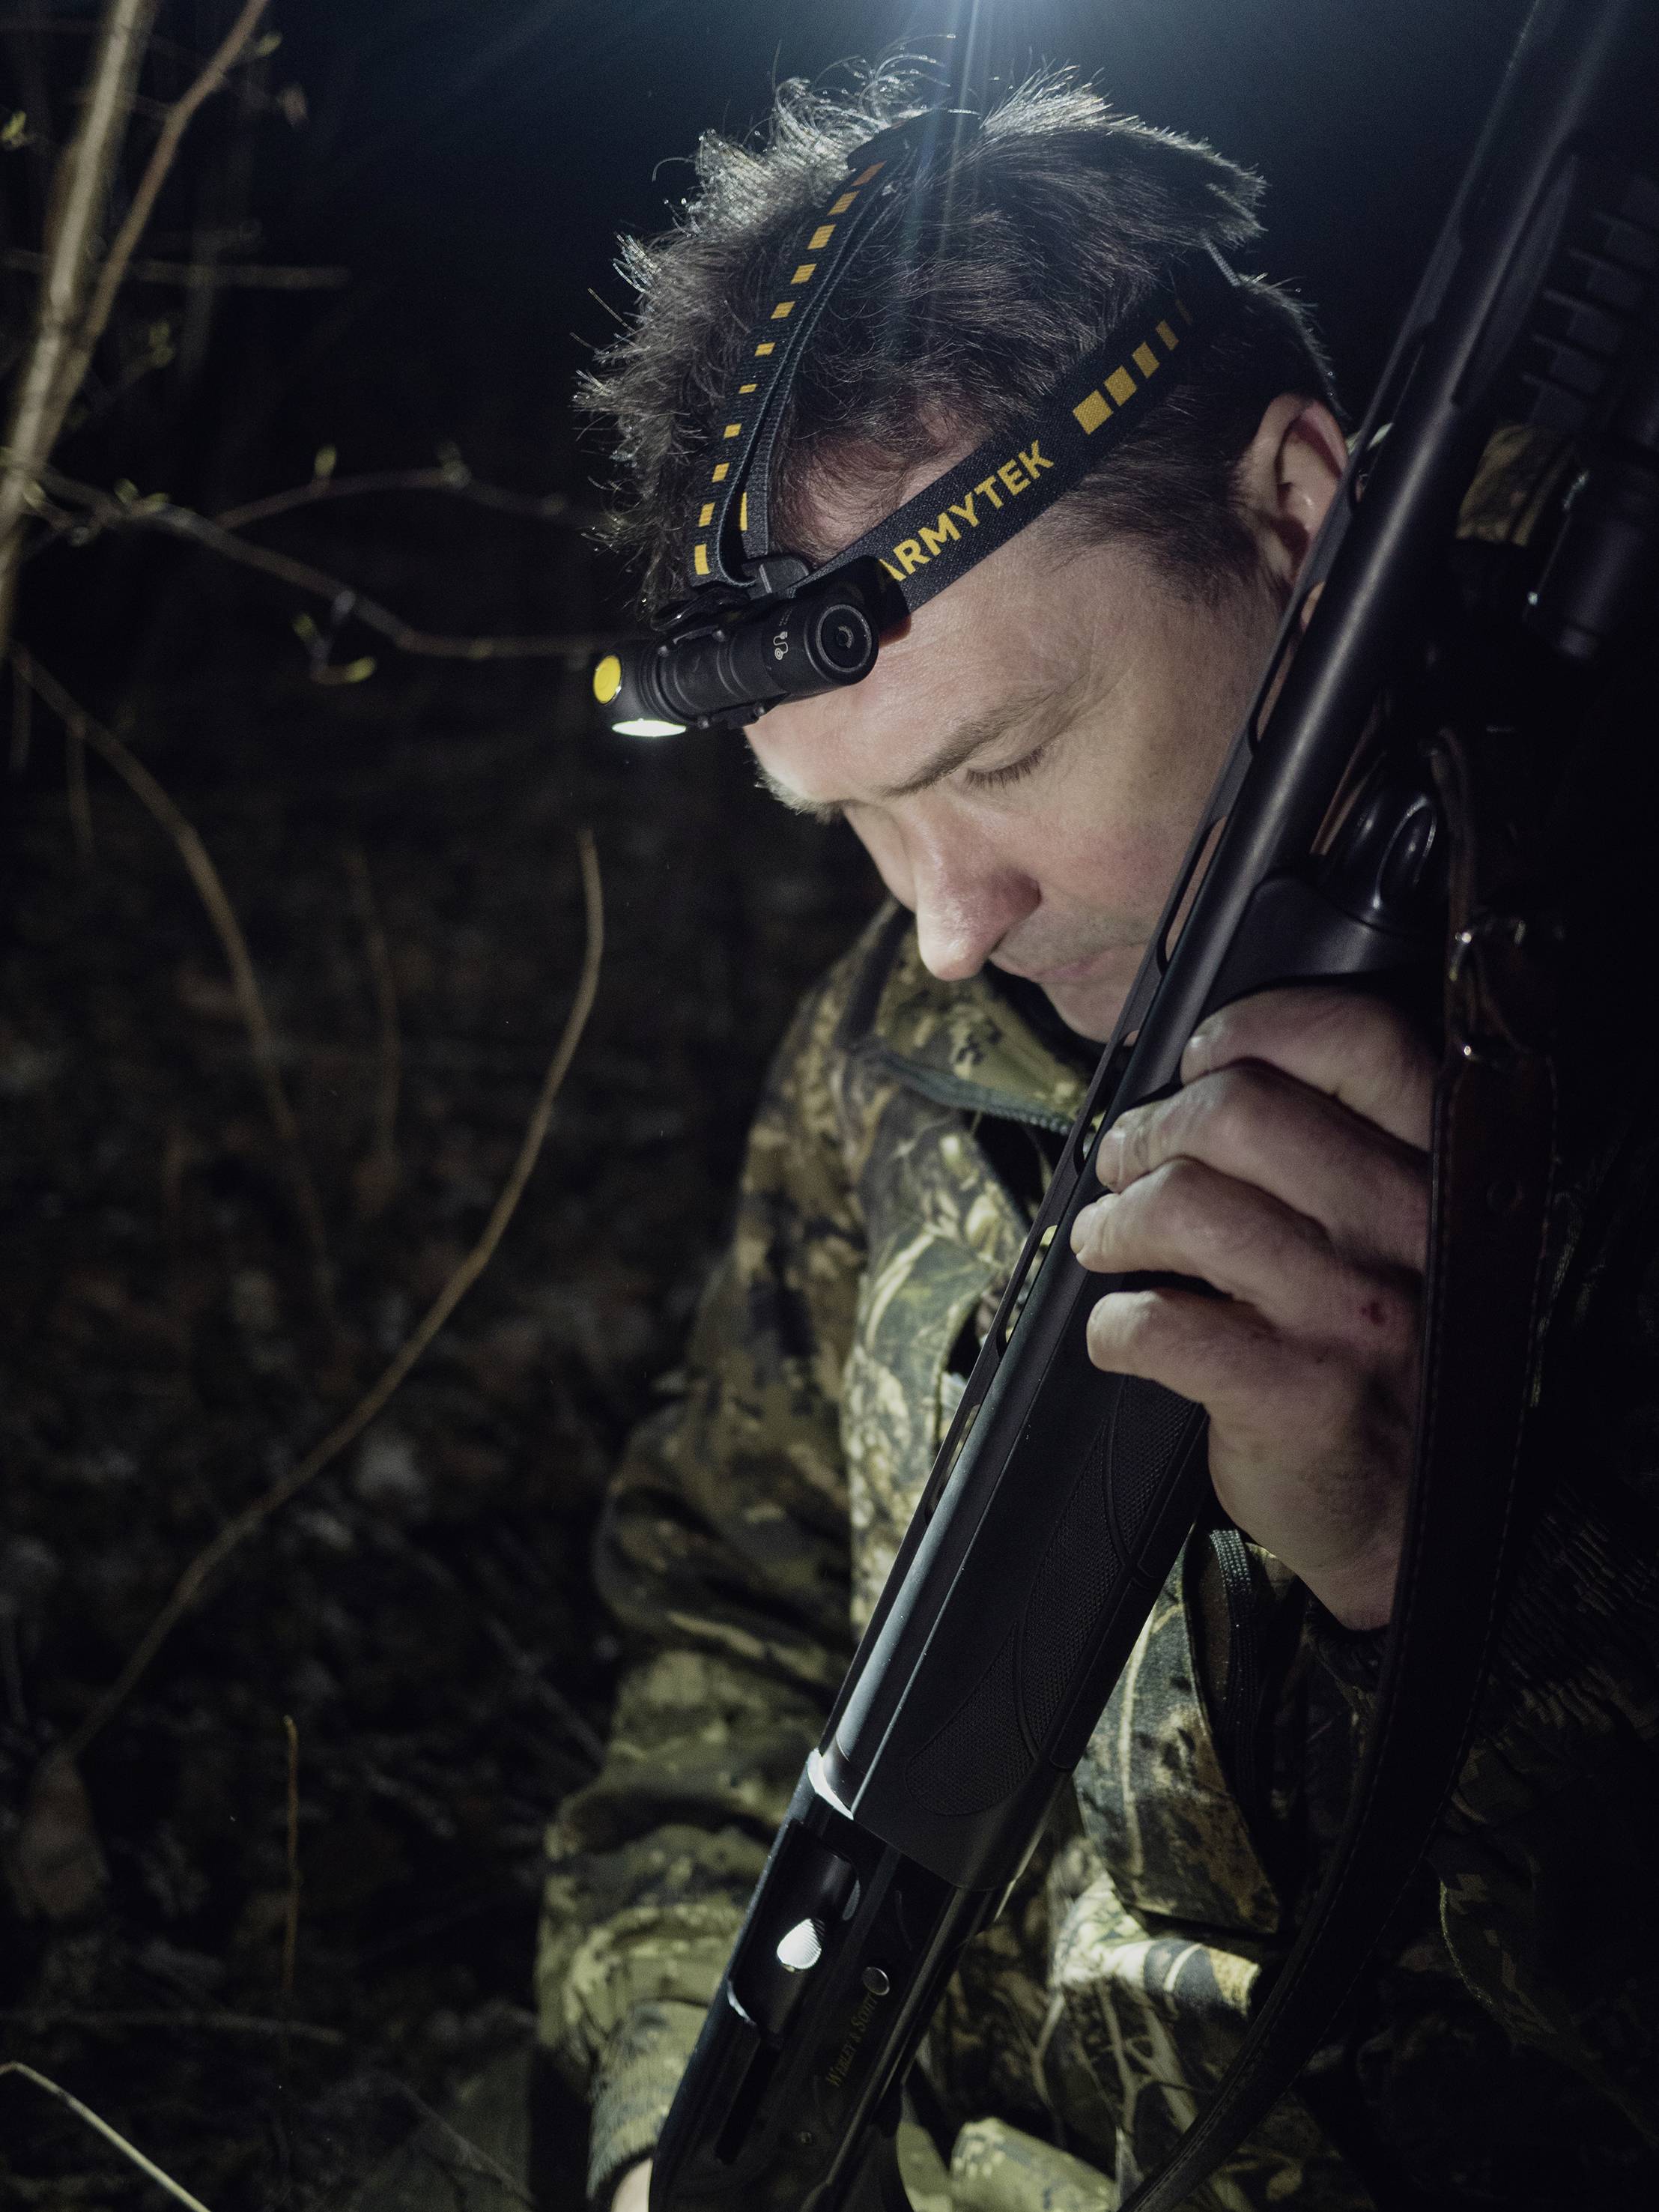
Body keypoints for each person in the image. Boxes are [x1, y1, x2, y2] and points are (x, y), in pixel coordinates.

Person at [536, 67, 1659, 2212]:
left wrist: (1431, 1587)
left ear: (1301, 511)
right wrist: (684, 2127)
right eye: (855, 819)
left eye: (1010, 754)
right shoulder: (887, 1043)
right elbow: (722, 1633)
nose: (944, 925)